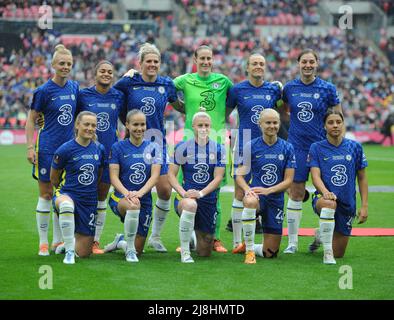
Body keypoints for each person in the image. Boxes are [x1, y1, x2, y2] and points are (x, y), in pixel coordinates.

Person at [114, 43, 180, 253]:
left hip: (157, 144)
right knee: (131, 190)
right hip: (132, 144)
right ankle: (126, 229)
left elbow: (179, 104)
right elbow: (110, 95)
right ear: (140, 64)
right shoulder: (129, 83)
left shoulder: (166, 84)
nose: (152, 65)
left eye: (155, 62)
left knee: (165, 190)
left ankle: (156, 236)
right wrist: (124, 76)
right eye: (148, 61)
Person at [281, 49, 342, 254]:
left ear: (317, 64)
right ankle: (292, 243)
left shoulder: (328, 88)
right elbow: (281, 111)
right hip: (296, 146)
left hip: (320, 147)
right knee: (296, 192)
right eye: (304, 62)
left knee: (327, 192)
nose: (307, 65)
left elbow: (338, 117)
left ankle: (321, 233)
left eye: (311, 62)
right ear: (298, 64)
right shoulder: (289, 88)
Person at [173, 45, 233, 253]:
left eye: (209, 58)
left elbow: (237, 98)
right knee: (187, 187)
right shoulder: (186, 80)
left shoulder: (223, 81)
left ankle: (214, 237)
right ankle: (188, 236)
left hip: (216, 143)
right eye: (202, 58)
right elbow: (165, 89)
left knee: (214, 191)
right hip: (190, 142)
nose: (206, 62)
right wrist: (181, 107)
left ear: (213, 60)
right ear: (195, 59)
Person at [224, 53, 283, 249]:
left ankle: (259, 231)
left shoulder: (273, 90)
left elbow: (282, 110)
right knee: (240, 192)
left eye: (261, 64)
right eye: (254, 64)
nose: (258, 66)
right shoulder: (237, 89)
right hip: (243, 144)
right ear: (247, 68)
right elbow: (224, 114)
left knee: (263, 187)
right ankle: (236, 242)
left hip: (267, 146)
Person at [25, 44, 79, 256]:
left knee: (62, 194)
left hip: (69, 150)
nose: (65, 67)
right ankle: (43, 243)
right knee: (46, 194)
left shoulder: (74, 87)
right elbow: (31, 120)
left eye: (68, 64)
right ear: (53, 65)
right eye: (62, 64)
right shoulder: (44, 91)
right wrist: (30, 147)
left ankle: (58, 241)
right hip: (46, 148)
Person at [233, 109, 296, 263]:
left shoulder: (287, 148)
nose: (272, 126)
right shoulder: (251, 146)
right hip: (257, 197)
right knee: (249, 201)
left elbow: (289, 181)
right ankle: (249, 252)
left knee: (271, 253)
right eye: (268, 122)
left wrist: (269, 190)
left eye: (275, 122)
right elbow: (238, 175)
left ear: (279, 124)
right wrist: (248, 190)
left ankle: (250, 246)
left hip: (275, 200)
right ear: (260, 124)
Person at [307, 109, 368, 264]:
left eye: (338, 122)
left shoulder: (355, 147)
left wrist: (364, 206)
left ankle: (321, 234)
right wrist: (326, 192)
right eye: (331, 122)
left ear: (343, 124)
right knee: (329, 203)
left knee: (339, 253)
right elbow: (315, 176)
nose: (335, 125)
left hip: (347, 203)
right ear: (324, 126)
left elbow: (362, 178)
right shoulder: (316, 147)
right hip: (323, 197)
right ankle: (327, 254)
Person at [77, 60, 126, 254]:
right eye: (102, 71)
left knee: (101, 197)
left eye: (109, 72)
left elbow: (127, 118)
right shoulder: (84, 95)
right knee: (83, 194)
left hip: (109, 154)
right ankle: (76, 236)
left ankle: (95, 241)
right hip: (86, 153)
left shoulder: (119, 96)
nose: (106, 74)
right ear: (95, 74)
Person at [167, 109, 226, 263]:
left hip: (207, 199)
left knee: (205, 250)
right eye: (200, 125)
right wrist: (183, 193)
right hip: (186, 197)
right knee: (190, 205)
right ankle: (185, 252)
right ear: (192, 126)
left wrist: (200, 193)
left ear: (211, 127)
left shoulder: (219, 149)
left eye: (206, 125)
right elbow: (171, 174)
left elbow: (218, 178)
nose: (203, 129)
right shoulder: (182, 147)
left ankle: (192, 236)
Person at [103, 109, 162, 262]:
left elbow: (155, 176)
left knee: (139, 249)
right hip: (121, 197)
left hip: (144, 199)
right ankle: (129, 250)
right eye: (135, 124)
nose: (139, 128)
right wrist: (128, 193)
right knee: (133, 206)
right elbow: (113, 177)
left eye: (142, 124)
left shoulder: (154, 147)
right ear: (127, 125)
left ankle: (121, 241)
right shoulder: (118, 147)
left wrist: (139, 193)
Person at [50, 111, 106, 264]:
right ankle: (68, 251)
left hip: (88, 201)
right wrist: (62, 194)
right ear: (77, 125)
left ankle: (66, 244)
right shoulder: (65, 149)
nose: (90, 128)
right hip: (68, 194)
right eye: (86, 124)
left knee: (83, 253)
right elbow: (54, 178)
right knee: (67, 205)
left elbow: (99, 174)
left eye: (93, 125)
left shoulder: (99, 149)